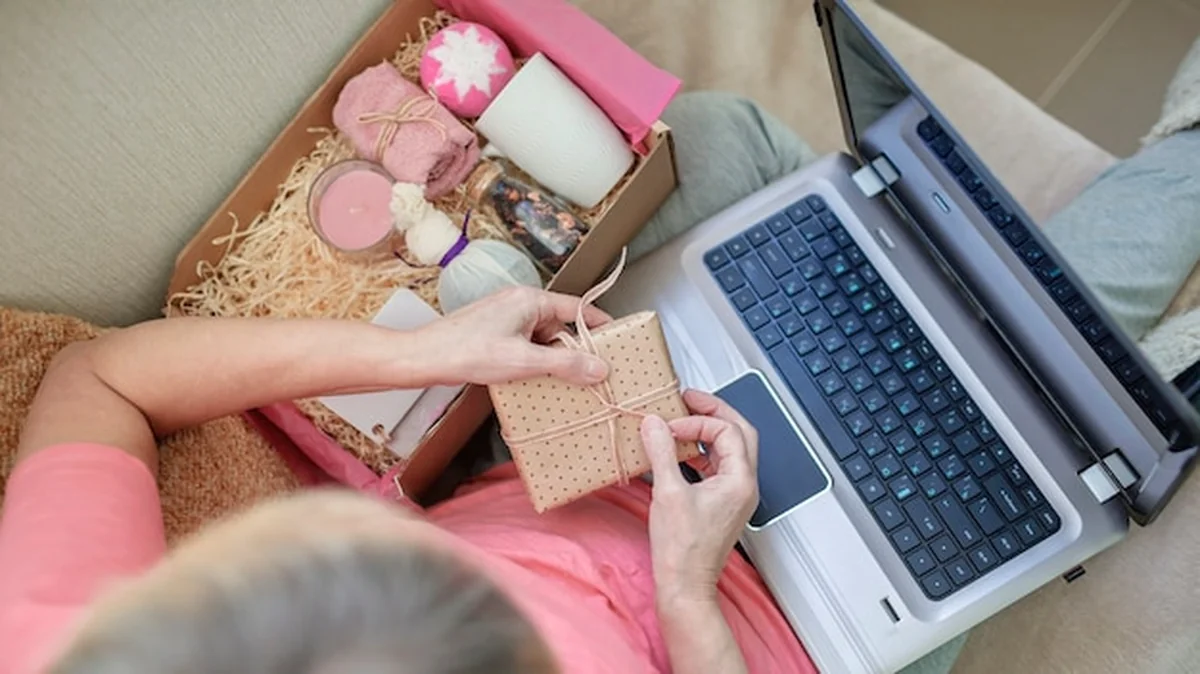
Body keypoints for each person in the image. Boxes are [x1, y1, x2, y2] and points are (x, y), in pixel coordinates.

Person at [3, 63, 1200, 673]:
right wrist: (687, 595)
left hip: (612, 455)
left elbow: (96, 380)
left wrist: (427, 350)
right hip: (799, 625)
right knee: (1038, 389)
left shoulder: (72, 644)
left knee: (732, 147)